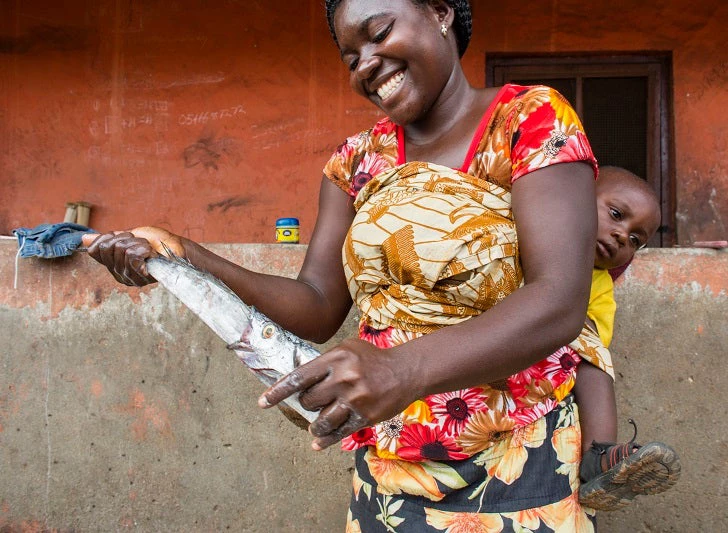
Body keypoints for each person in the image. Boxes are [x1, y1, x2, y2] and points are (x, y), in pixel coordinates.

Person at [85, 1, 628, 530]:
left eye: (380, 32)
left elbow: (559, 300)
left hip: (519, 452)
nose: (365, 63)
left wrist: (399, 369)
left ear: (440, 12)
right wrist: (183, 254)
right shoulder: (355, 162)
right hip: (390, 462)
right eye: (350, 57)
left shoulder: (529, 119)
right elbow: (317, 306)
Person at [572, 166, 681, 511]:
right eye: (616, 215)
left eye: (635, 240)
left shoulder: (599, 285)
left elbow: (595, 336)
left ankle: (599, 457)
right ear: (570, 195)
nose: (622, 236)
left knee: (595, 363)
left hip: (554, 349)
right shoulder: (525, 231)